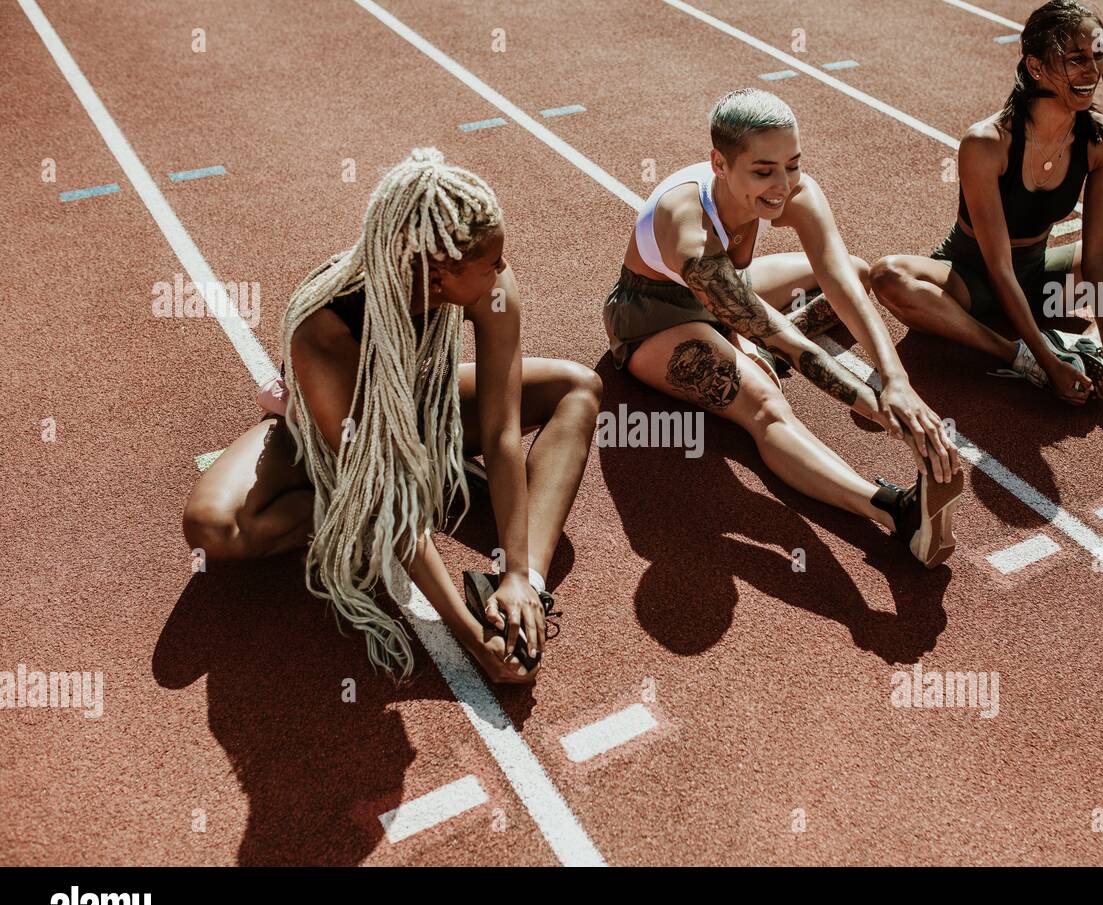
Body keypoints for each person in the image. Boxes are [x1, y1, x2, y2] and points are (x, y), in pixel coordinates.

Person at [182, 147, 601, 684]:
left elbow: (500, 432)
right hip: (322, 441)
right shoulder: (325, 329)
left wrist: (518, 573)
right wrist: (473, 641)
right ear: (441, 277)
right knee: (213, 528)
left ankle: (531, 594)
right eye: (491, 264)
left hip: (422, 412)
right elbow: (385, 490)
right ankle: (345, 513)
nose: (502, 270)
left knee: (578, 386)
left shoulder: (486, 285)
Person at [602, 88, 963, 569]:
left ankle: (747, 352)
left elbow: (842, 283)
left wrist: (897, 380)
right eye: (764, 170)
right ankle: (896, 512)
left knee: (853, 271)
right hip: (655, 320)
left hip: (734, 297)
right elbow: (781, 338)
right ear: (719, 164)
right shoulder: (688, 228)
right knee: (766, 405)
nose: (783, 184)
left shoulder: (794, 191)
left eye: (793, 163)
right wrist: (881, 411)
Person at [869, 0, 1103, 405]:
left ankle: (1086, 347)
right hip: (970, 280)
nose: (1092, 71)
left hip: (1040, 278)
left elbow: (1096, 255)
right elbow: (998, 267)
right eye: (1076, 59)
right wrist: (1044, 361)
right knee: (888, 276)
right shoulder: (987, 143)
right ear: (1035, 67)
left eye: (1098, 56)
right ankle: (1015, 353)